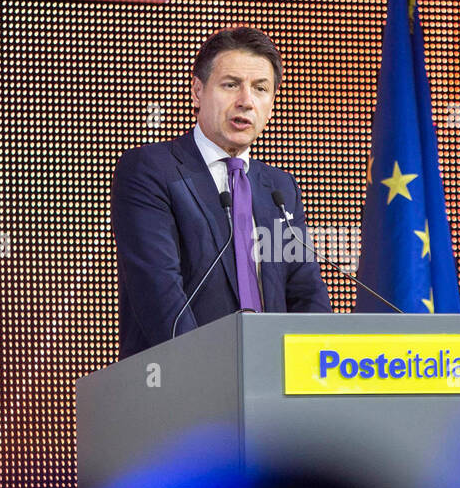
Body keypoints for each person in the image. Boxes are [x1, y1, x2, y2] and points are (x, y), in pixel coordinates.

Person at [111, 27, 331, 357]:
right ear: (197, 91)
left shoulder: (279, 189)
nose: (246, 101)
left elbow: (306, 292)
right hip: (181, 385)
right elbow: (159, 293)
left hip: (273, 388)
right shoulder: (152, 169)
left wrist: (318, 363)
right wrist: (211, 374)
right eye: (231, 85)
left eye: (261, 89)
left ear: (271, 105)